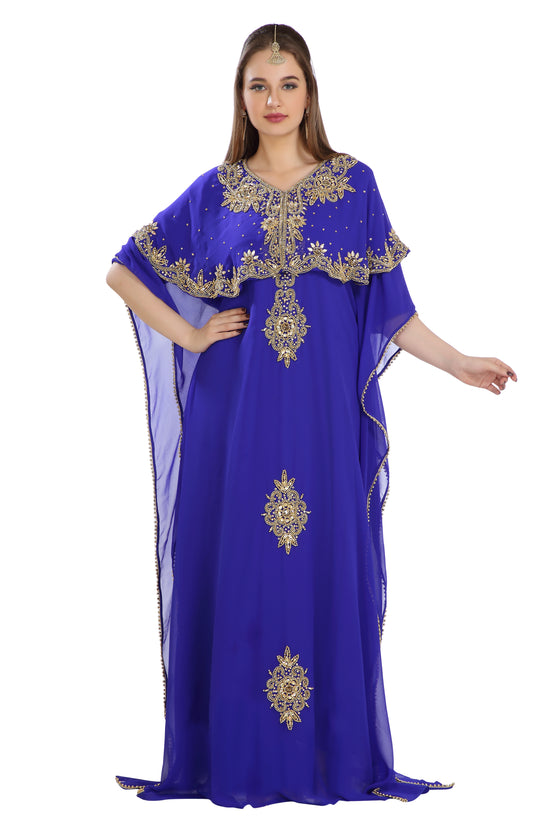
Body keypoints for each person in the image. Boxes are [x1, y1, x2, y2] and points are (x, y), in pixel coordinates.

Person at [106, 23, 516, 808]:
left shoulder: (353, 186)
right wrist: (192, 335)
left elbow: (392, 310)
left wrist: (460, 361)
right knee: (244, 575)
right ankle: (240, 758)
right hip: (237, 421)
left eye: (287, 84)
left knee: (323, 567)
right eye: (258, 85)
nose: (274, 100)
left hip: (324, 423)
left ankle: (325, 755)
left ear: (310, 92)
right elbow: (126, 270)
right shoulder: (217, 192)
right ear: (241, 97)